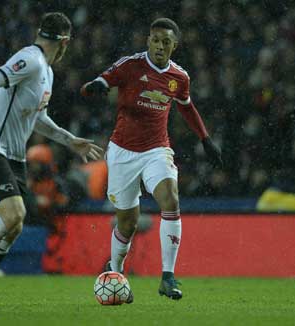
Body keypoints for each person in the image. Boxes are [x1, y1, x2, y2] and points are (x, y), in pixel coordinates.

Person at [0, 12, 103, 311]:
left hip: (14, 156)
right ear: (66, 42)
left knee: (15, 224)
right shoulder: (30, 59)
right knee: (13, 212)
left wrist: (70, 141)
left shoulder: (47, 72)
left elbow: (39, 119)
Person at [81, 18, 222, 301]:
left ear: (174, 46)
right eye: (156, 40)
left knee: (170, 199)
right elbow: (104, 79)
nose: (160, 46)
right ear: (148, 40)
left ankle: (168, 277)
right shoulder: (131, 65)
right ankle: (116, 272)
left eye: (166, 42)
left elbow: (187, 107)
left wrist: (205, 139)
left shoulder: (179, 77)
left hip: (157, 150)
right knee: (127, 222)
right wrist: (95, 86)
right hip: (122, 151)